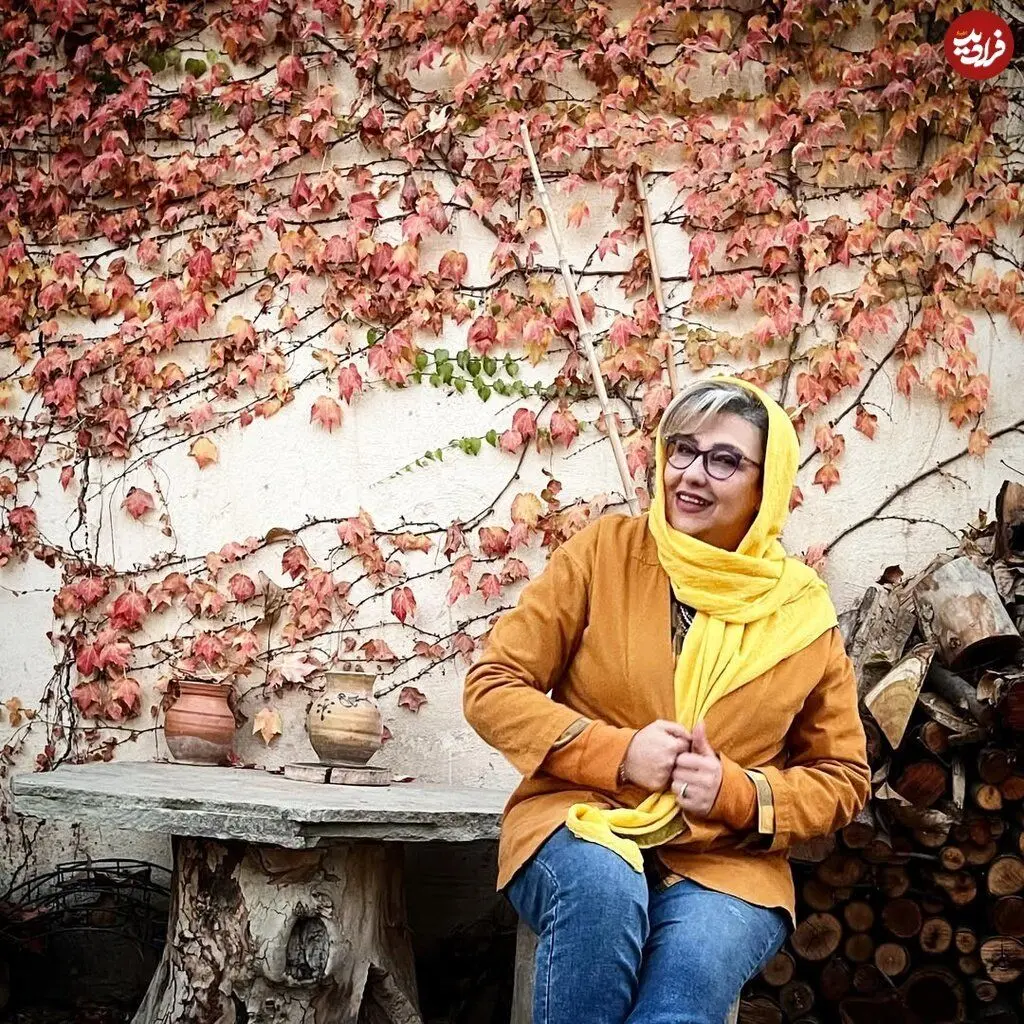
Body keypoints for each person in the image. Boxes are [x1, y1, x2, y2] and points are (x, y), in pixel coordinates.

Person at [463, 377, 871, 1024]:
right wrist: (620, 755)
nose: (690, 475)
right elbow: (493, 687)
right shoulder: (604, 554)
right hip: (578, 818)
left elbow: (843, 779)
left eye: (724, 460)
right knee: (602, 889)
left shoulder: (802, 614)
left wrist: (736, 792)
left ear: (768, 483)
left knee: (678, 1003)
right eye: (680, 449)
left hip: (725, 860)